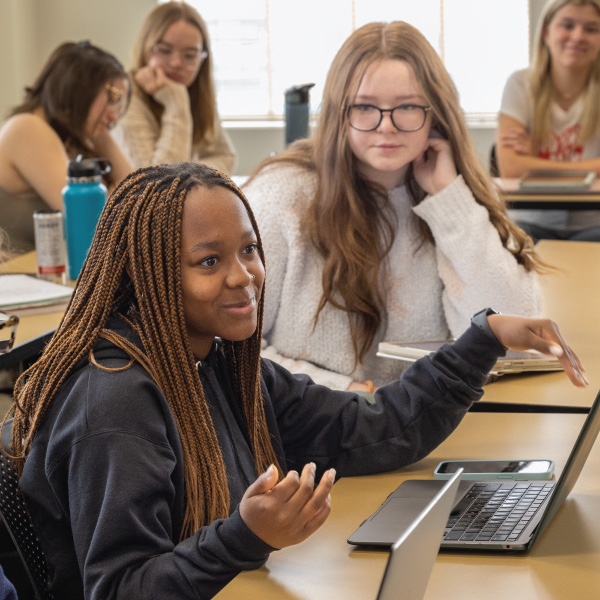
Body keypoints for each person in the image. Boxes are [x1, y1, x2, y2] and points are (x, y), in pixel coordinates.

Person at [3, 162, 585, 600]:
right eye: (209, 262)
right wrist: (244, 536)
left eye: (249, 250)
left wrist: (482, 341)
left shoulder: (222, 364)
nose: (245, 276)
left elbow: (378, 429)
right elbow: (121, 588)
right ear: (148, 273)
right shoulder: (115, 403)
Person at [243, 21, 542, 392]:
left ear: (436, 113)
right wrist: (335, 394)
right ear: (339, 112)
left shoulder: (456, 196)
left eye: (407, 107)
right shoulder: (281, 197)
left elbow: (516, 336)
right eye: (366, 107)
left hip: (431, 427)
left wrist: (449, 201)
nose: (386, 126)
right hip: (309, 433)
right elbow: (227, 347)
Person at [0, 41, 133, 254]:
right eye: (111, 98)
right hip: (15, 277)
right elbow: (97, 222)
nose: (114, 115)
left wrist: (101, 133)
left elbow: (137, 194)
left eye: (118, 104)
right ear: (78, 89)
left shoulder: (67, 141)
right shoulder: (26, 127)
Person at [497, 0, 600, 241]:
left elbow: (520, 165)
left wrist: (534, 162)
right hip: (529, 222)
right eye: (567, 25)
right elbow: (509, 167)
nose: (578, 36)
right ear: (546, 31)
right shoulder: (519, 84)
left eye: (591, 29)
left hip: (593, 224)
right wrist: (591, 168)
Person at [113, 1, 236, 174]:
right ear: (145, 48)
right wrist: (176, 101)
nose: (176, 63)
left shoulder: (196, 91)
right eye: (164, 50)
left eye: (189, 55)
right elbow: (157, 183)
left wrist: (189, 172)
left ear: (202, 59)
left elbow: (226, 157)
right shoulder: (124, 93)